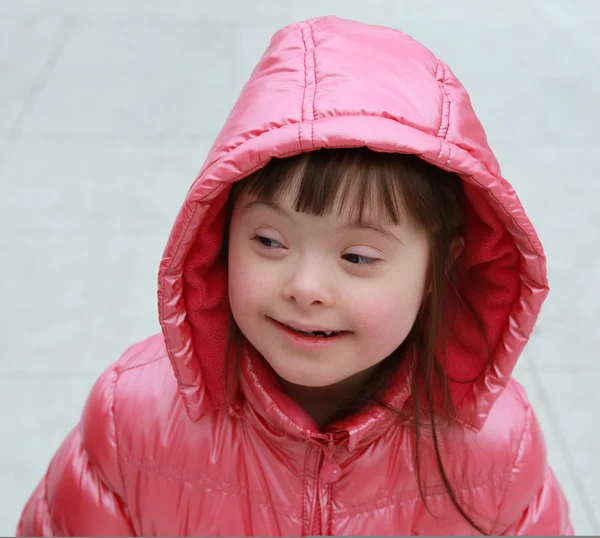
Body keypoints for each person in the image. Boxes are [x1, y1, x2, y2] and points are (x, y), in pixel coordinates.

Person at [17, 15, 572, 536]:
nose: (305, 288)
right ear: (218, 234)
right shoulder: (131, 420)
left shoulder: (499, 447)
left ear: (440, 265)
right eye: (269, 241)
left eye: (357, 257)